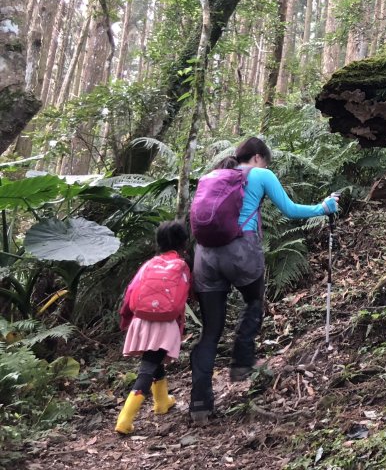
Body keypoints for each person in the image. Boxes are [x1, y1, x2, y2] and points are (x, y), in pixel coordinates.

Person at [188, 136, 338, 424]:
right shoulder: (260, 174)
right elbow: (291, 210)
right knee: (254, 300)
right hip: (241, 252)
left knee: (210, 331)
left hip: (204, 258)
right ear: (257, 157)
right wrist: (324, 208)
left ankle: (199, 404)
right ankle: (242, 362)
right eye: (265, 161)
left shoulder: (211, 176)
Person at [116, 219, 191, 435]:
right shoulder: (182, 266)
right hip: (164, 324)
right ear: (184, 242)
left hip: (142, 321)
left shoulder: (148, 264)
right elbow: (188, 294)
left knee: (152, 360)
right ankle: (125, 418)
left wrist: (126, 319)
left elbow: (131, 292)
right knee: (147, 368)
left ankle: (161, 402)